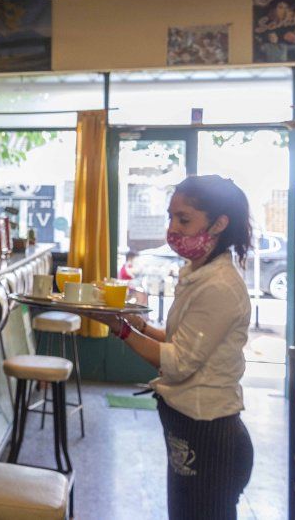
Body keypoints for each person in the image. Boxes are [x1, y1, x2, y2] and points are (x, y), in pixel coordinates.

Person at [87, 175, 254, 520]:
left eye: (185, 219)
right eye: (171, 217)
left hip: (209, 432)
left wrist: (119, 330)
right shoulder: (199, 273)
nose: (173, 229)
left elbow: (178, 363)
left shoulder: (219, 286)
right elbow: (183, 341)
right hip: (187, 423)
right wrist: (139, 324)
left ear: (220, 223)